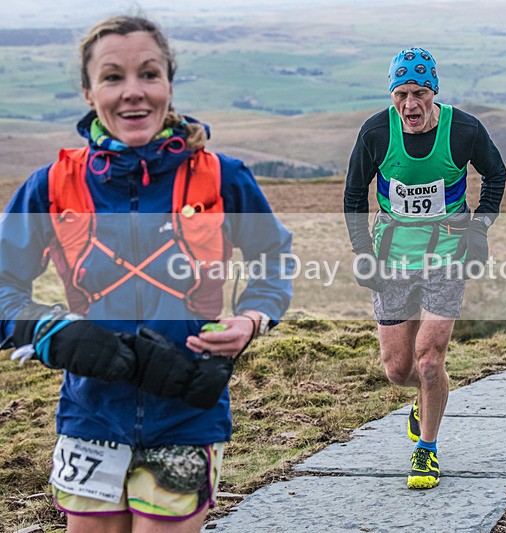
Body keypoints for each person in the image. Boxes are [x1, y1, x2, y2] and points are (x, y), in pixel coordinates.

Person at [0, 15, 292, 532]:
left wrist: (252, 319)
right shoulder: (51, 185)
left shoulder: (223, 178)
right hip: (90, 414)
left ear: (169, 85)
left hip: (187, 409)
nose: (133, 92)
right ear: (90, 92)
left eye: (149, 74)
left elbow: (275, 259)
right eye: (113, 77)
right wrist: (49, 331)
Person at [343, 47, 506, 489]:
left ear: (434, 91)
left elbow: (497, 175)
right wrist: (362, 250)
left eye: (419, 93)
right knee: (398, 369)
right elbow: (355, 195)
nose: (410, 105)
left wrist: (479, 229)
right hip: (392, 253)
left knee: (431, 361)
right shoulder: (376, 132)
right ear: (391, 94)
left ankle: (426, 451)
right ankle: (423, 397)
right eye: (401, 94)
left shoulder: (465, 130)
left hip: (447, 252)